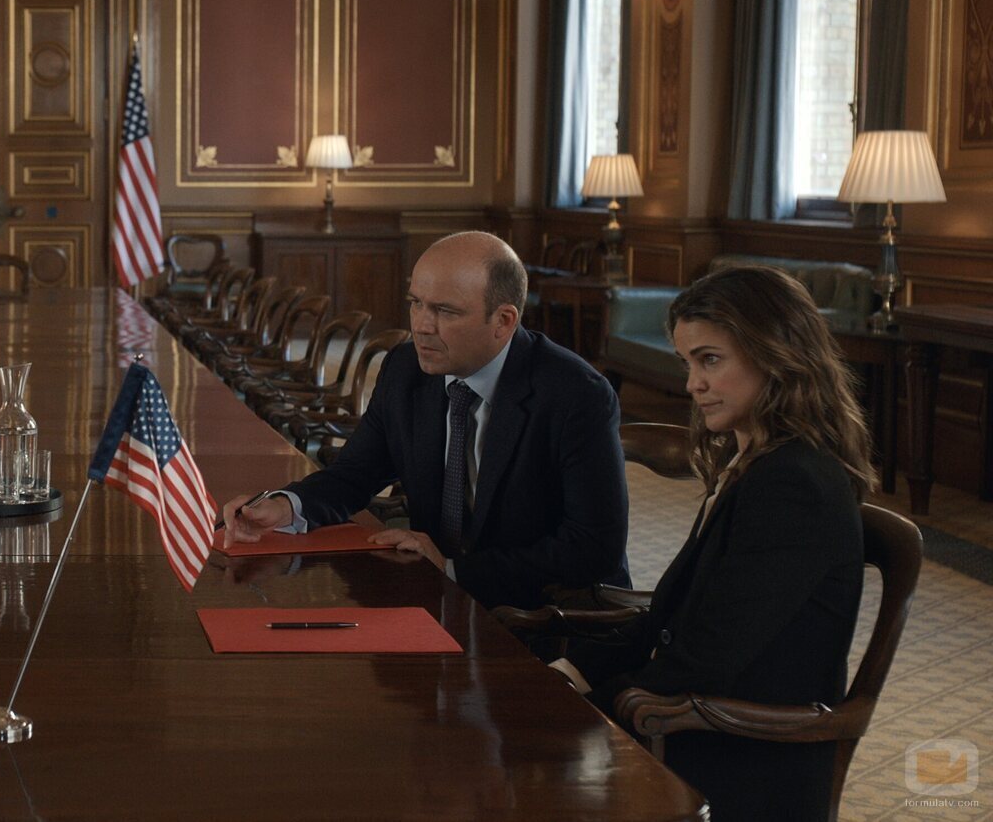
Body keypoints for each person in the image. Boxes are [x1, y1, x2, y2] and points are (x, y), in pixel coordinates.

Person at [551, 266, 870, 820]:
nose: (693, 383)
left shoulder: (795, 483)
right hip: (699, 722)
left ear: (775, 355)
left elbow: (709, 657)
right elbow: (670, 617)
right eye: (688, 363)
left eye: (710, 360)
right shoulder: (754, 461)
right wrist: (570, 673)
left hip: (744, 756)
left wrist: (591, 708)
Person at [221, 231, 629, 608]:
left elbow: (592, 548)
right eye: (415, 303)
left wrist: (455, 571)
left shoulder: (576, 395)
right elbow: (355, 474)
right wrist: (284, 507)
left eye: (445, 312)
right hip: (434, 596)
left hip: (547, 612)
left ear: (503, 322)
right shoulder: (406, 368)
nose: (421, 326)